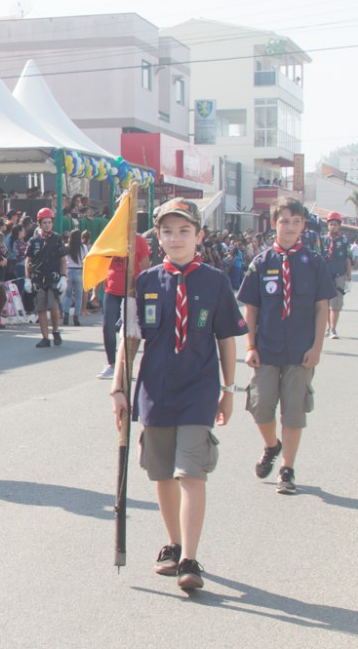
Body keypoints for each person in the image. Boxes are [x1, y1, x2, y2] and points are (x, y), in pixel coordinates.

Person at [111, 198, 247, 591]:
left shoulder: (215, 282)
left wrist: (228, 389)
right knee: (162, 472)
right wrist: (119, 387)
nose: (176, 238)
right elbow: (129, 339)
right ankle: (172, 544)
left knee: (191, 472)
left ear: (199, 236)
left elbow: (226, 339)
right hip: (155, 390)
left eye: (185, 230)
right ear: (158, 237)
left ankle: (189, 557)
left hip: (199, 391)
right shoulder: (145, 282)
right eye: (168, 231)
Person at [237, 196, 336, 495]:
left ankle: (287, 468)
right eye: (284, 221)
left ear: (303, 224)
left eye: (296, 221)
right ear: (274, 224)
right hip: (266, 349)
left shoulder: (314, 263)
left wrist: (317, 348)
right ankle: (272, 445)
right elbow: (251, 309)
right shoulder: (261, 263)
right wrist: (250, 346)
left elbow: (321, 307)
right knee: (260, 406)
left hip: (300, 351)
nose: (290, 226)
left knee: (294, 411)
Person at [97, 230, 151, 379]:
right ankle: (112, 365)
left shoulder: (139, 240)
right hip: (111, 290)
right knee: (108, 327)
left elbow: (146, 266)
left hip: (131, 291)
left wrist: (145, 290)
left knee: (130, 330)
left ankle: (126, 366)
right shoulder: (111, 237)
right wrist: (96, 291)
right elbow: (102, 265)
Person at [25, 207, 68, 348]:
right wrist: (27, 279)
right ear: (39, 224)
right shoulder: (33, 241)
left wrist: (64, 276)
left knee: (53, 306)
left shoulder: (57, 239)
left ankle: (55, 330)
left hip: (53, 277)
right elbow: (28, 260)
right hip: (38, 278)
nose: (47, 225)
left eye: (49, 222)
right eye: (44, 222)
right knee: (41, 308)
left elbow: (63, 260)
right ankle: (45, 338)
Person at [321, 211, 351, 339]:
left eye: (335, 224)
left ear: (339, 226)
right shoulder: (322, 240)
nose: (332, 226)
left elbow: (347, 259)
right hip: (325, 275)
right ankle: (328, 327)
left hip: (339, 275)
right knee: (325, 303)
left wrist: (349, 278)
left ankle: (333, 329)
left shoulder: (344, 241)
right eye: (330, 224)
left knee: (336, 303)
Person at [62, 229, 87, 327]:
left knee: (67, 294)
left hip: (68, 270)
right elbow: (86, 258)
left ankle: (66, 314)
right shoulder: (83, 247)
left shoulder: (66, 246)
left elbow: (63, 258)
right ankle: (76, 316)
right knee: (78, 295)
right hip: (79, 271)